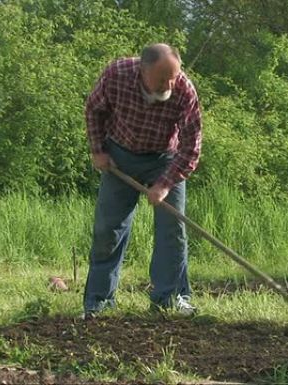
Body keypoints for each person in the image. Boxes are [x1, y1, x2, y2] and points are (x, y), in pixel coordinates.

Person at [82, 43, 203, 319]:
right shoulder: (117, 74)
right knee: (108, 230)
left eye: (173, 76)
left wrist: (165, 183)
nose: (169, 83)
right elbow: (94, 110)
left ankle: (170, 298)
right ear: (142, 70)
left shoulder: (184, 89)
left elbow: (191, 147)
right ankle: (98, 303)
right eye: (162, 78)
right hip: (120, 156)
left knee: (173, 230)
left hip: (165, 159)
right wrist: (98, 150)